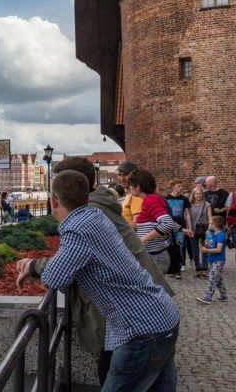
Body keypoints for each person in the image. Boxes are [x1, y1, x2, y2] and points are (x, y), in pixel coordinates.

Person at [15, 170, 180, 392]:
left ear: (53, 200)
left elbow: (55, 277)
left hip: (141, 330)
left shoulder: (78, 229)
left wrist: (32, 266)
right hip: (161, 316)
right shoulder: (95, 216)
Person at [127, 169, 178, 276]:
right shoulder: (152, 199)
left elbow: (167, 223)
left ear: (138, 187)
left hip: (155, 258)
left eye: (131, 185)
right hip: (153, 257)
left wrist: (143, 239)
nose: (129, 188)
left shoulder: (150, 200)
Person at [196, 215, 228, 303]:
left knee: (212, 277)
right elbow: (209, 245)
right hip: (213, 260)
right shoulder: (212, 235)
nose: (209, 224)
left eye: (210, 223)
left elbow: (219, 249)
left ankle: (208, 296)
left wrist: (206, 250)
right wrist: (205, 244)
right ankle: (224, 295)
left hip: (219, 260)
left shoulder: (220, 235)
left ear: (215, 225)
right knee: (218, 279)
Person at [185, 186, 211, 277]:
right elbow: (188, 217)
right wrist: (189, 229)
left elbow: (210, 218)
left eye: (200, 193)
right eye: (196, 194)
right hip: (193, 230)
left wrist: (209, 230)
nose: (198, 195)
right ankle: (198, 269)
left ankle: (204, 268)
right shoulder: (189, 205)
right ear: (193, 195)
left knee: (205, 250)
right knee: (195, 251)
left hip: (205, 229)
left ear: (202, 194)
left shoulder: (207, 204)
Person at [165, 180, 189, 276]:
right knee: (169, 246)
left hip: (181, 225)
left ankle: (179, 266)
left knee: (180, 245)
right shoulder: (167, 198)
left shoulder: (184, 199)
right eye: (179, 186)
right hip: (169, 225)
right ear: (173, 187)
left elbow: (187, 213)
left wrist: (189, 226)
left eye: (181, 186)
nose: (181, 188)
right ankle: (171, 267)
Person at [116, 161, 142, 225]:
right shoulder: (129, 195)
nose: (122, 179)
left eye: (125, 174)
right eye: (120, 175)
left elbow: (137, 224)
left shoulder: (136, 197)